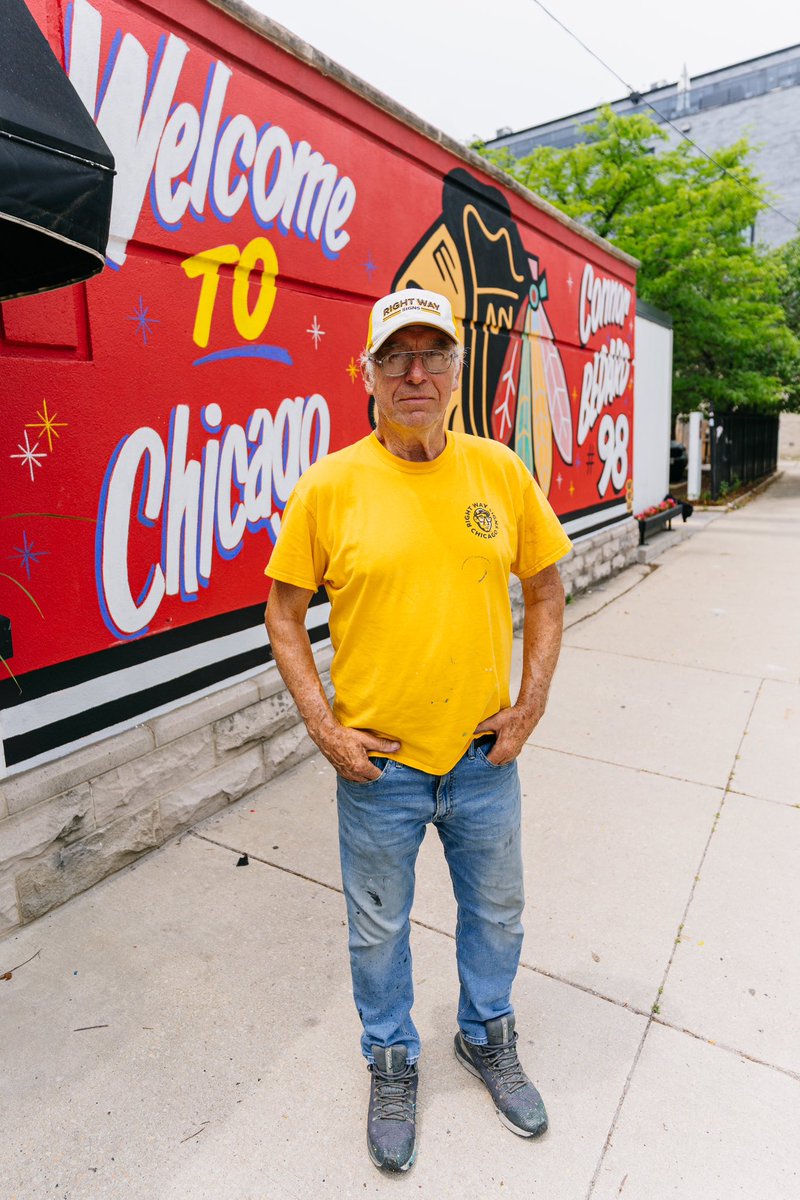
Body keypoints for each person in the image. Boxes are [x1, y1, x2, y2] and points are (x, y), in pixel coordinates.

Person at [264, 288, 572, 1173]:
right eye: (396, 356)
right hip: (380, 773)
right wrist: (325, 728)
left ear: (457, 369)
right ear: (365, 371)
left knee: (498, 914)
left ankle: (485, 1035)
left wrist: (531, 700)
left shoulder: (500, 474)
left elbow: (546, 587)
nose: (415, 373)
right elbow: (285, 615)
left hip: (483, 758)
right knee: (378, 928)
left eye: (434, 353)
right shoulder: (329, 487)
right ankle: (392, 1057)